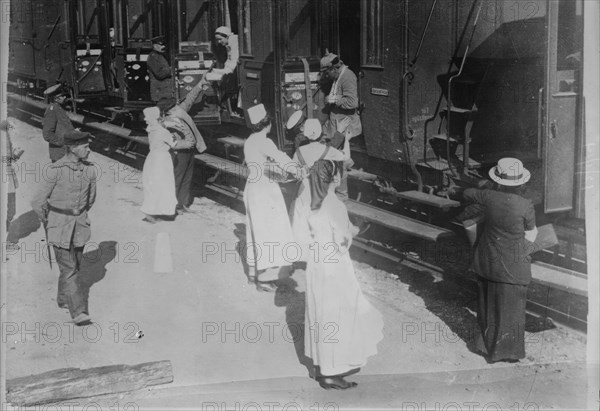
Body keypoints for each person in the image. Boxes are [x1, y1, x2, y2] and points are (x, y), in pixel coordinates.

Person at [304, 159, 383, 390]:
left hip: (316, 263)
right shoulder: (334, 204)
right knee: (338, 315)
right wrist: (354, 231)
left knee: (321, 314)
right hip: (333, 266)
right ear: (335, 178)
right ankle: (331, 373)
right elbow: (341, 241)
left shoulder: (310, 199)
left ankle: (321, 365)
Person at [454, 157, 538, 363]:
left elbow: (466, 193)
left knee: (487, 304)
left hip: (488, 261)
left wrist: (485, 188)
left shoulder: (488, 196)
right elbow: (531, 233)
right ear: (521, 183)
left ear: (499, 181)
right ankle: (509, 352)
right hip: (513, 267)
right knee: (512, 309)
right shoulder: (525, 205)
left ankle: (485, 348)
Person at [31, 130, 97, 326]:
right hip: (59, 225)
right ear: (73, 148)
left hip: (79, 226)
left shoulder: (90, 170)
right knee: (69, 269)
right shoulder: (55, 170)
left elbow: (91, 199)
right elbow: (37, 201)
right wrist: (48, 219)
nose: (89, 150)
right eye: (85, 147)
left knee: (74, 266)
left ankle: (63, 299)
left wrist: (80, 215)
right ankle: (79, 313)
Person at [243, 104, 303, 291]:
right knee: (268, 232)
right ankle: (264, 277)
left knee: (255, 231)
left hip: (252, 186)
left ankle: (254, 273)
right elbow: (280, 157)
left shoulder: (250, 141)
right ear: (267, 124)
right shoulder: (265, 142)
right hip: (264, 190)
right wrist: (297, 169)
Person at [287, 113, 349, 262]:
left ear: (305, 133)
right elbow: (344, 157)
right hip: (321, 191)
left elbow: (294, 171)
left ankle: (302, 255)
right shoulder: (328, 150)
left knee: (302, 221)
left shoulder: (299, 151)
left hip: (304, 191)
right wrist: (346, 139)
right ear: (321, 133)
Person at [157, 78, 208, 214]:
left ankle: (182, 204)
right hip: (179, 152)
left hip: (189, 150)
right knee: (177, 178)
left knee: (186, 178)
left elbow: (189, 99)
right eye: (173, 105)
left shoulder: (178, 111)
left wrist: (199, 85)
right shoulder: (166, 121)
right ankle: (171, 206)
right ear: (167, 110)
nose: (176, 106)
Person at [319, 53, 361, 199]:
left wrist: (334, 100)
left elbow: (352, 103)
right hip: (338, 126)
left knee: (339, 162)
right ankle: (348, 163)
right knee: (337, 158)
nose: (326, 76)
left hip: (344, 127)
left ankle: (342, 196)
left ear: (333, 69)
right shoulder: (339, 76)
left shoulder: (347, 76)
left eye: (326, 73)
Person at [140, 107, 177, 223]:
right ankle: (165, 210)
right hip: (162, 160)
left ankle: (150, 211)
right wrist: (174, 135)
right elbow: (173, 143)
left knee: (152, 185)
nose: (145, 119)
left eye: (146, 117)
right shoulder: (163, 132)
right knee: (164, 184)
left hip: (152, 159)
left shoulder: (151, 129)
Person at [2, 119, 24, 251]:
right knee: (8, 210)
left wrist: (14, 156)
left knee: (9, 210)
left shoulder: (5, 133)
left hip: (7, 176)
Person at [207, 26, 240, 112]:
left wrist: (219, 71)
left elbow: (232, 63)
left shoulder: (234, 43)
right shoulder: (228, 43)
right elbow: (229, 61)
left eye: (220, 39)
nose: (219, 42)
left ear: (226, 36)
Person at [42, 83, 75, 162]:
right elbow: (47, 135)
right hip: (59, 155)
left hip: (66, 153)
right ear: (56, 98)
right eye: (62, 96)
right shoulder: (52, 110)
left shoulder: (59, 108)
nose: (64, 97)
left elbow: (63, 126)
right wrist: (63, 142)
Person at [147, 35, 174, 103]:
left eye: (164, 45)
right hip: (159, 93)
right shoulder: (153, 57)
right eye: (161, 45)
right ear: (155, 46)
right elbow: (159, 74)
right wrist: (171, 70)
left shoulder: (160, 56)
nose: (164, 47)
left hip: (164, 92)